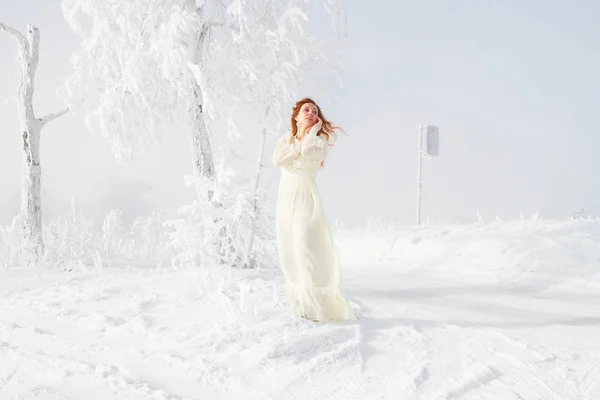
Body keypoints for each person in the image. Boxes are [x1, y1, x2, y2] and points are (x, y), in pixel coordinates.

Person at [272, 98, 354, 322]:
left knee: (305, 246)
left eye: (314, 111)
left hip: (306, 197)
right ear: (296, 116)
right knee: (290, 249)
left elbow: (307, 152)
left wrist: (313, 130)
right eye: (306, 110)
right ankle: (300, 304)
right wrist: (297, 142)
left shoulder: (318, 142)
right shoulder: (285, 140)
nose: (310, 113)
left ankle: (314, 307)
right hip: (286, 199)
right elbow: (278, 160)